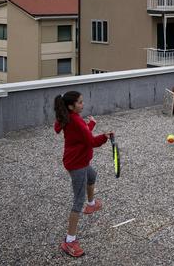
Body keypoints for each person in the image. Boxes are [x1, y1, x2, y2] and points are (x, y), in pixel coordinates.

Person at [54, 91, 113, 257]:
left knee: (92, 175)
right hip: (77, 164)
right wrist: (105, 136)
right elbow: (91, 141)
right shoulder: (77, 121)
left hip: (78, 160)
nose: (83, 104)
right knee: (78, 200)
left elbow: (82, 135)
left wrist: (92, 126)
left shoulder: (68, 118)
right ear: (71, 106)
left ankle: (92, 203)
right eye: (80, 102)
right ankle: (69, 241)